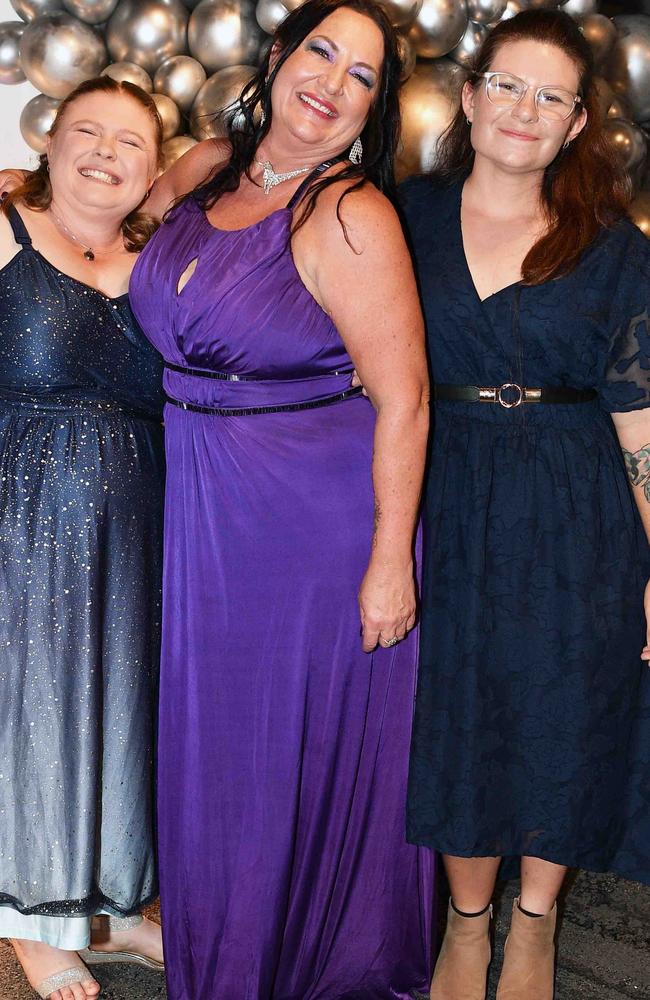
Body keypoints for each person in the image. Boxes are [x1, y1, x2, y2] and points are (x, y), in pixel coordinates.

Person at [129, 0, 434, 995]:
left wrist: (390, 560)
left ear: (373, 108)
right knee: (218, 751)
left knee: (274, 753)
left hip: (313, 526)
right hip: (209, 507)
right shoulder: (207, 168)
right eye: (321, 53)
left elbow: (404, 399)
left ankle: (308, 968)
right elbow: (117, 239)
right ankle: (226, 956)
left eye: (361, 75)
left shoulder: (348, 212)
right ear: (277, 55)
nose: (332, 82)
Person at [399, 9, 650, 1000]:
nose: (524, 110)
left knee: (566, 712)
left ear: (576, 123)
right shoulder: (399, 215)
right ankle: (467, 922)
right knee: (457, 713)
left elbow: (639, 423)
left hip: (575, 506)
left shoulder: (613, 246)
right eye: (507, 85)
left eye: (550, 97)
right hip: (444, 496)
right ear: (467, 97)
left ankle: (534, 921)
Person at [0, 77, 166, 1000]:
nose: (107, 152)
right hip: (19, 514)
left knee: (121, 704)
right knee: (37, 709)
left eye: (131, 142)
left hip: (140, 515)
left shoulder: (161, 256)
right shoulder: (5, 234)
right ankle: (34, 924)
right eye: (88, 132)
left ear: (154, 167)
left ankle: (110, 908)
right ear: (50, 143)